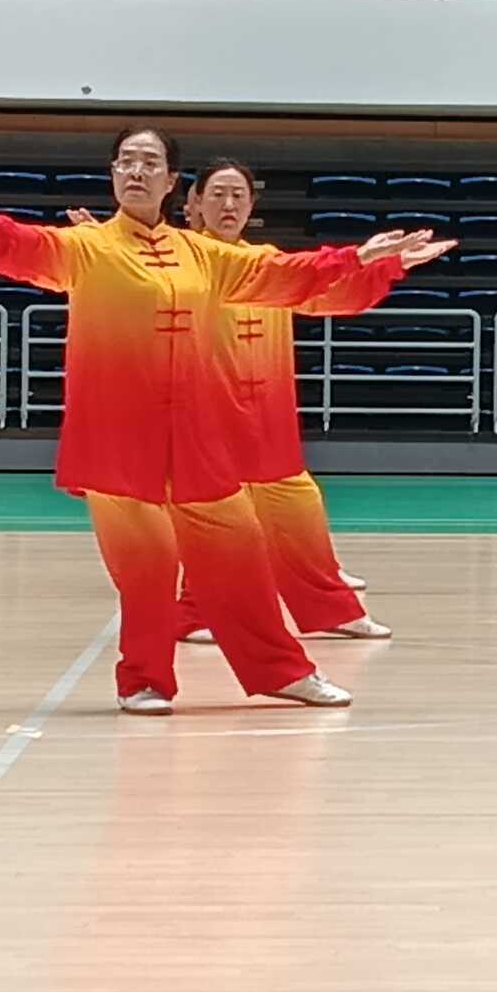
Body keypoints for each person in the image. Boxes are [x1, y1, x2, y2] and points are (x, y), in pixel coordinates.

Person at [0, 132, 449, 712]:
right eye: (126, 162)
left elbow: (283, 272)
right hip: (118, 441)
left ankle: (281, 671)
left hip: (197, 438)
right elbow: (32, 249)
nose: (136, 171)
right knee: (147, 571)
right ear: (113, 174)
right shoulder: (87, 248)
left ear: (171, 181)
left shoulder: (202, 254)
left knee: (241, 558)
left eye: (149, 163)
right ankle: (143, 680)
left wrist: (359, 258)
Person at [174, 157, 398, 644]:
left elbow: (321, 296)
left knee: (298, 509)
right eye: (217, 194)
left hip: (268, 418)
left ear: (252, 205)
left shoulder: (268, 260)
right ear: (195, 203)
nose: (228, 204)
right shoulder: (185, 260)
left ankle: (330, 609)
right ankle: (195, 615)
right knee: (217, 518)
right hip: (210, 414)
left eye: (238, 195)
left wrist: (386, 266)